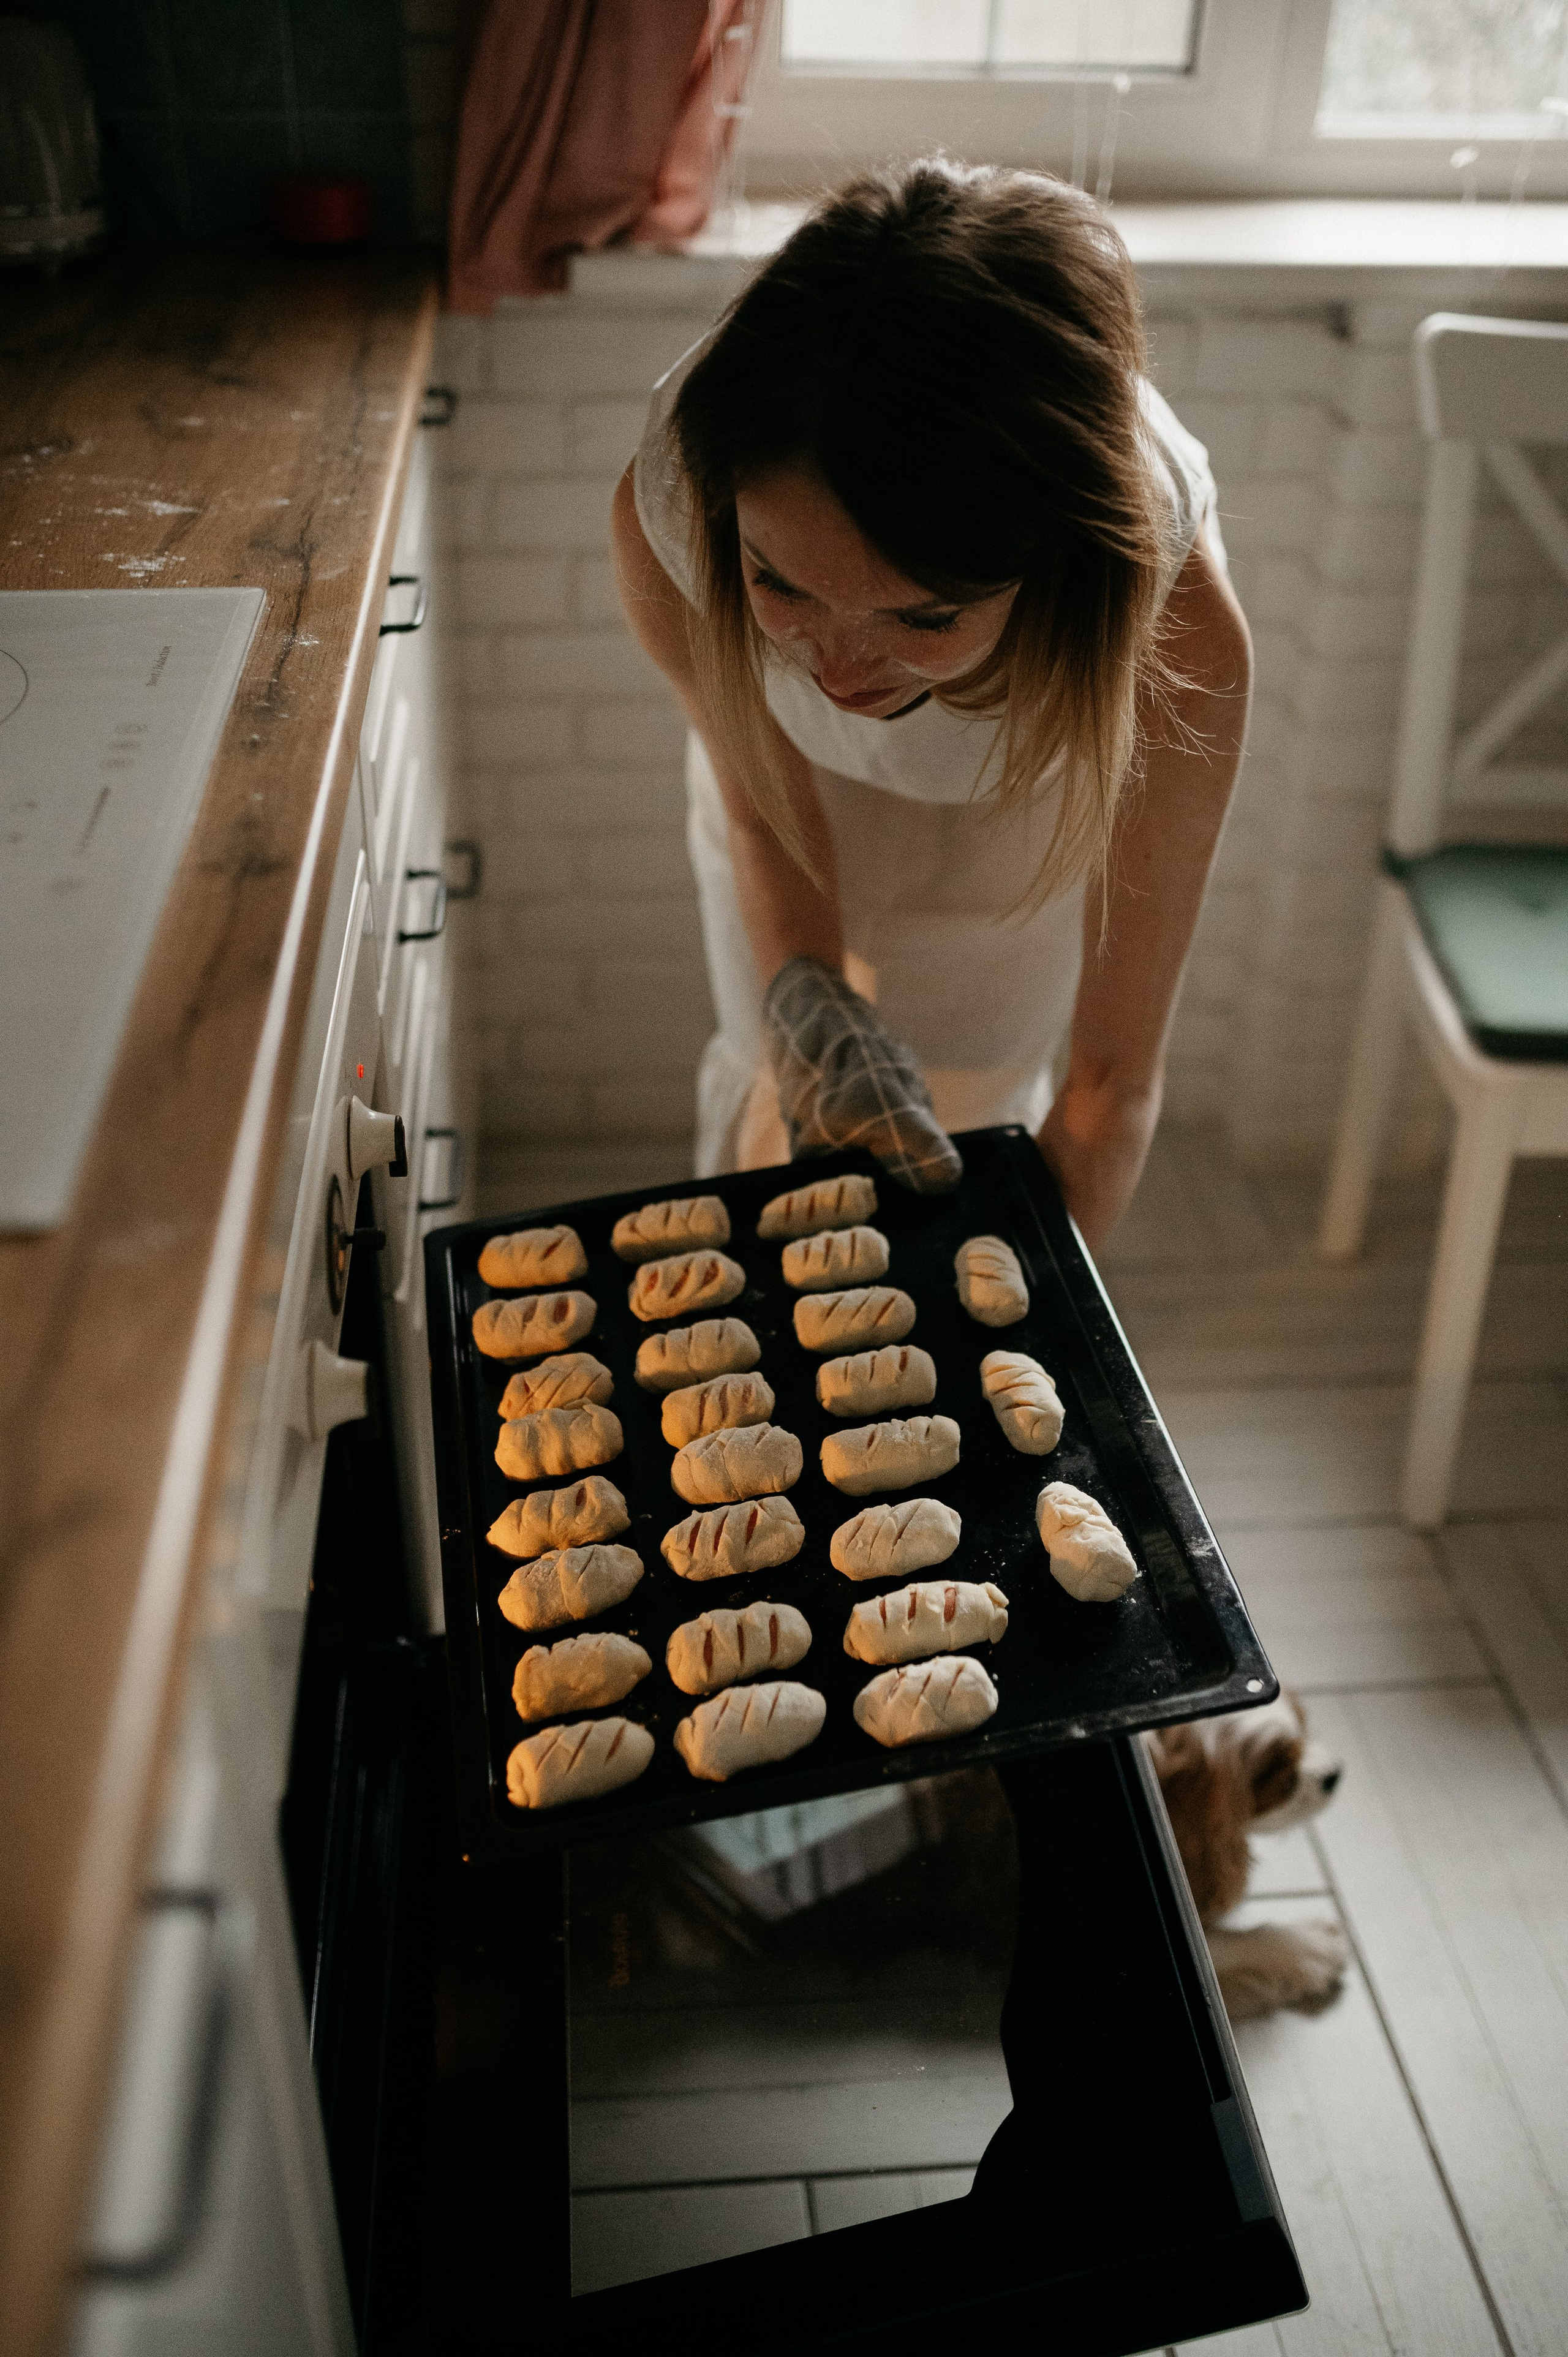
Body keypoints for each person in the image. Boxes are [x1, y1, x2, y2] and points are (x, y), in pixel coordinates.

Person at [611, 159, 1251, 1251]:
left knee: (977, 1085)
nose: (842, 670)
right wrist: (811, 1009)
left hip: (1032, 822)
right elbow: (764, 811)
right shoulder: (672, 509)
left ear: (1046, 572)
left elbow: (1110, 1079)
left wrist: (1034, 1319)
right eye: (780, 586)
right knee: (785, 1094)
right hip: (790, 810)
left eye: (921, 619)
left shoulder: (1170, 637)